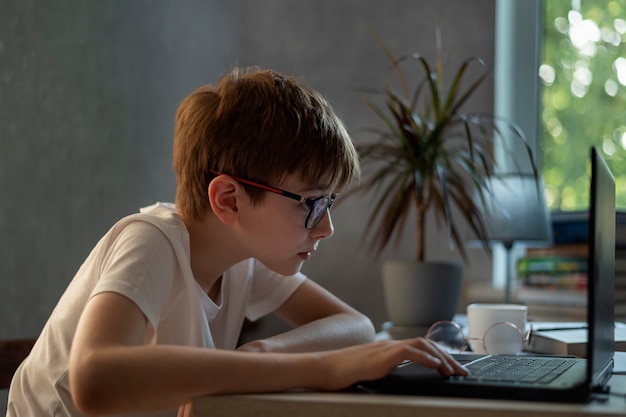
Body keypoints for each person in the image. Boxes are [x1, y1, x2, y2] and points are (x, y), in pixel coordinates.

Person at [7, 66, 467, 417]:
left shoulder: (243, 255)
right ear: (229, 199)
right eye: (310, 202)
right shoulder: (150, 242)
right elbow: (94, 381)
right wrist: (320, 368)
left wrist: (264, 351)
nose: (325, 227)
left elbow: (356, 327)